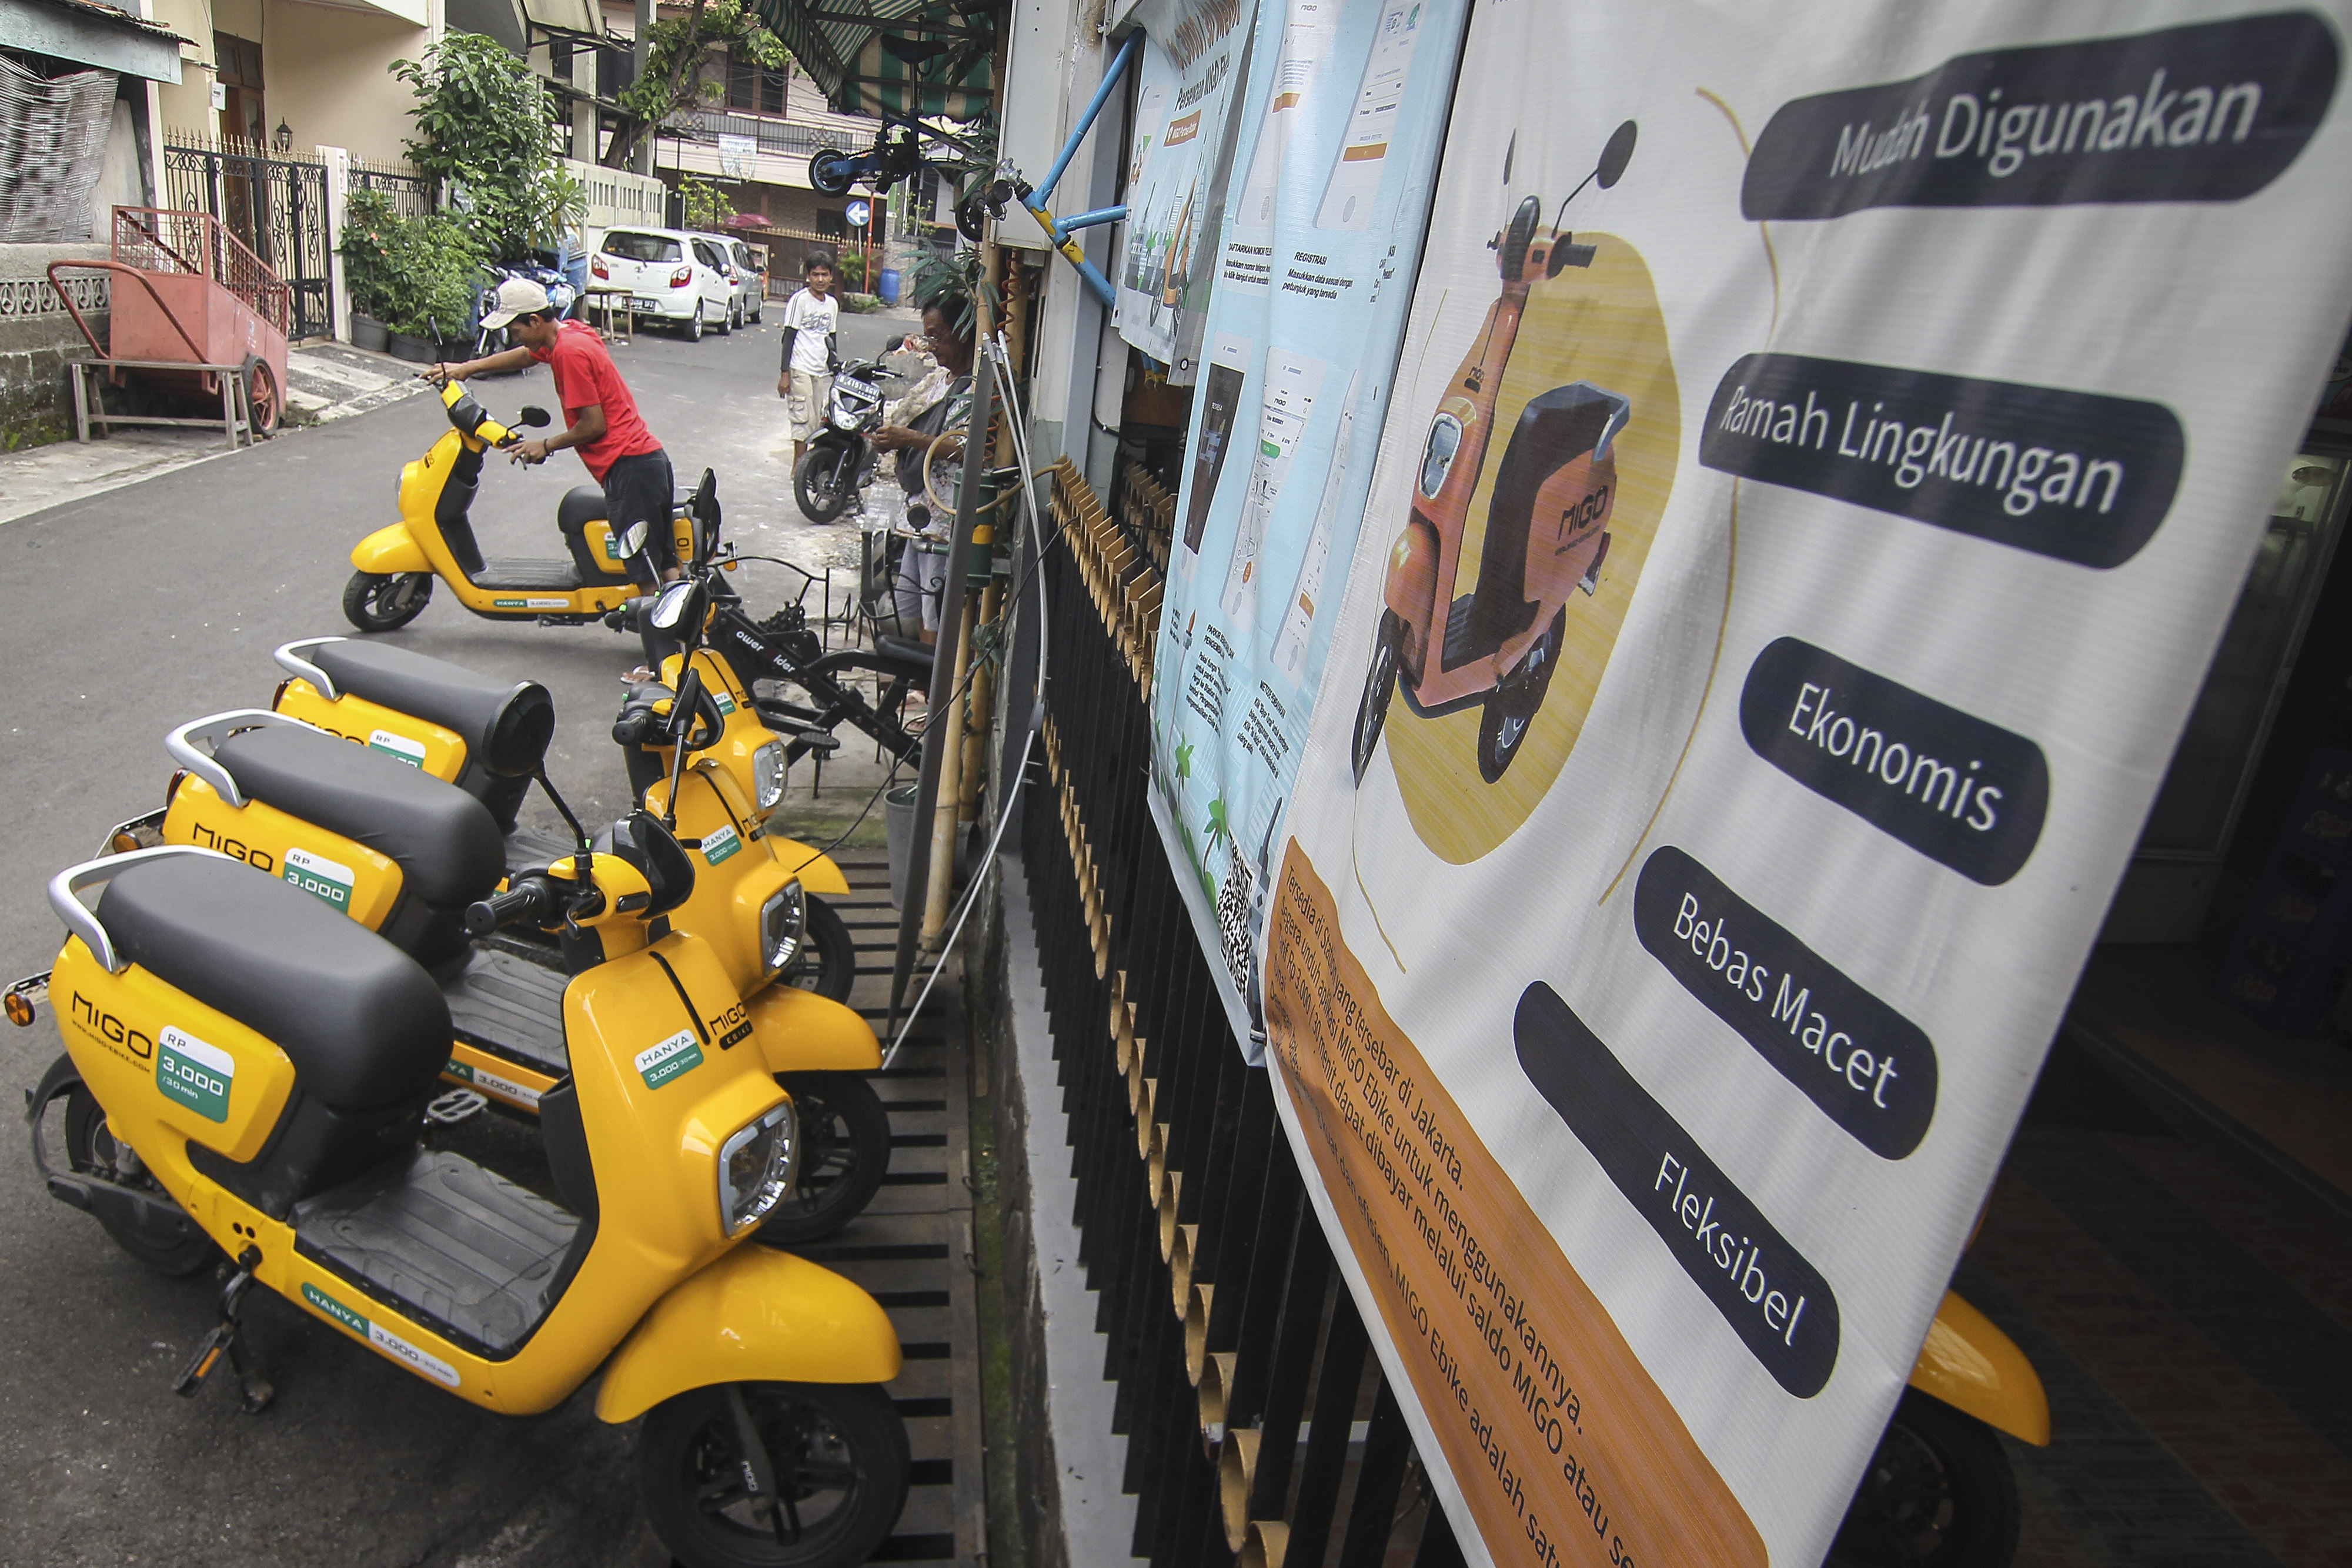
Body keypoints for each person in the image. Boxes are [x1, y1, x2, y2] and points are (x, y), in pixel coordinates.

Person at [422, 277, 679, 595]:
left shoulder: (569, 353)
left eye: (516, 332)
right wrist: (466, 368)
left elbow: (593, 426)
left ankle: (663, 641)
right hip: (645, 462)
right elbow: (527, 356)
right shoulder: (569, 333)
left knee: (646, 574)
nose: (515, 339)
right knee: (664, 561)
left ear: (534, 321)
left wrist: (545, 445)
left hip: (628, 467)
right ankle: (680, 633)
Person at [868, 291, 975, 644]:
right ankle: (917, 684)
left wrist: (909, 438)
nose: (932, 346)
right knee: (909, 607)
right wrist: (890, 439)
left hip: (944, 520)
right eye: (928, 336)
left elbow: (963, 449)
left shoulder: (972, 387)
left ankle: (932, 691)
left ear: (962, 330)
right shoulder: (938, 381)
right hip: (919, 516)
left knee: (934, 612)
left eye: (938, 335)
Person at [776, 258, 841, 483]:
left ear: (831, 277)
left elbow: (831, 338)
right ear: (808, 276)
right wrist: (785, 373)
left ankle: (811, 468)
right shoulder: (799, 301)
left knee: (817, 422)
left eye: (824, 275)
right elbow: (789, 337)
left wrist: (835, 368)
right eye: (815, 275)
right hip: (799, 367)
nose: (820, 280)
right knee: (802, 420)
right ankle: (799, 469)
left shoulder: (832, 304)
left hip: (819, 371)